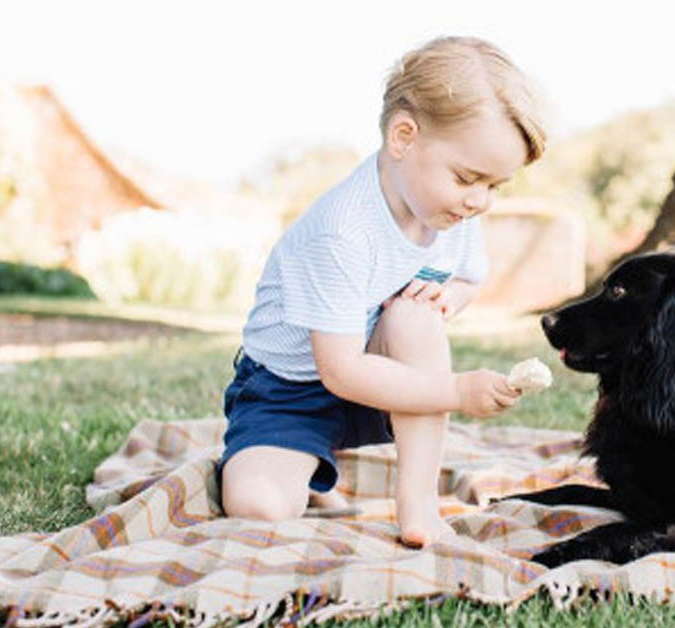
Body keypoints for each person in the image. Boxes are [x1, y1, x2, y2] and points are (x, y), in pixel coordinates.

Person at [218, 36, 548, 549]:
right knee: (261, 508)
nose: (480, 200)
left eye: (495, 186)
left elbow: (466, 279)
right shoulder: (342, 232)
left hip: (382, 376)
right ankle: (299, 466)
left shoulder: (450, 211)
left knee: (415, 318)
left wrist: (446, 300)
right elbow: (340, 371)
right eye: (468, 178)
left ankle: (417, 504)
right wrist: (458, 391)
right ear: (403, 136)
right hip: (291, 389)